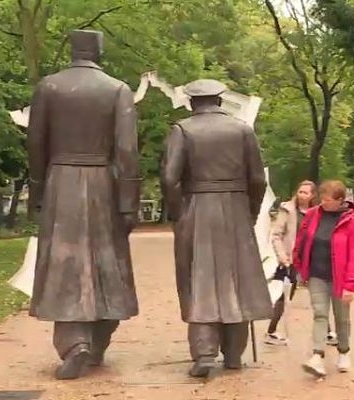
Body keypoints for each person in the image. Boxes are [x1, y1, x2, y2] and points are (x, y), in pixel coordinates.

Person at [27, 29, 140, 380]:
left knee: (65, 264)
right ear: (99, 51)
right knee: (108, 264)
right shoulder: (118, 90)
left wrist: (38, 191)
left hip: (60, 180)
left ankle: (76, 344)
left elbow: (35, 143)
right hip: (103, 184)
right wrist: (128, 202)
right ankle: (97, 339)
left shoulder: (48, 87)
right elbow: (127, 152)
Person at [161, 79, 273, 378]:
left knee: (200, 279)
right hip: (236, 210)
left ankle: (204, 353)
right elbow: (258, 180)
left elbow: (170, 178)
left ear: (191, 103)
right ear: (221, 101)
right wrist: (250, 212)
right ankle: (234, 354)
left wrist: (178, 214)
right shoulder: (243, 129)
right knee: (236, 281)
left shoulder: (182, 130)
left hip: (197, 209)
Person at [293, 180, 354, 377]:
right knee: (320, 314)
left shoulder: (351, 222)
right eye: (321, 199)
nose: (323, 203)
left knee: (342, 317)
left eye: (327, 200)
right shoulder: (313, 214)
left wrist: (351, 285)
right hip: (317, 274)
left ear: (340, 200)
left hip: (340, 278)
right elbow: (302, 240)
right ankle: (317, 356)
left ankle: (344, 351)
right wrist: (299, 265)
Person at [265, 180, 316, 345]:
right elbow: (276, 235)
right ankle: (271, 331)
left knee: (319, 292)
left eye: (306, 193)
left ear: (312, 195)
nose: (302, 195)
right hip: (289, 260)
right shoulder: (287, 210)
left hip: (309, 259)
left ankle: (328, 331)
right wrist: (282, 256)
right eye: (300, 191)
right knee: (283, 295)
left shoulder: (316, 212)